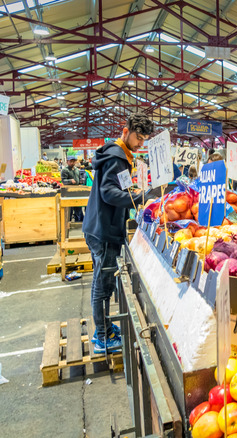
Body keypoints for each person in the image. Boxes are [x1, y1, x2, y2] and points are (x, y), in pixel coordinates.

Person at [83, 113, 151, 354]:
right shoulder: (117, 157)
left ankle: (105, 327)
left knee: (102, 281)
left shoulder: (120, 154)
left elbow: (118, 187)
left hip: (99, 226)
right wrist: (141, 197)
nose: (140, 143)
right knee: (102, 284)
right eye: (138, 137)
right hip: (104, 229)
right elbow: (108, 193)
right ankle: (102, 336)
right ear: (126, 131)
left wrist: (133, 190)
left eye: (144, 139)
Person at [61, 156, 84, 221]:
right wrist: (70, 181)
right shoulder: (65, 170)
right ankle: (69, 223)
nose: (72, 163)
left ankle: (78, 221)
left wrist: (81, 181)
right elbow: (63, 181)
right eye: (71, 161)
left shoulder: (77, 169)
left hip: (77, 192)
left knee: (78, 209)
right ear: (67, 162)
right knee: (69, 210)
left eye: (73, 161)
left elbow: (79, 178)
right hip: (69, 193)